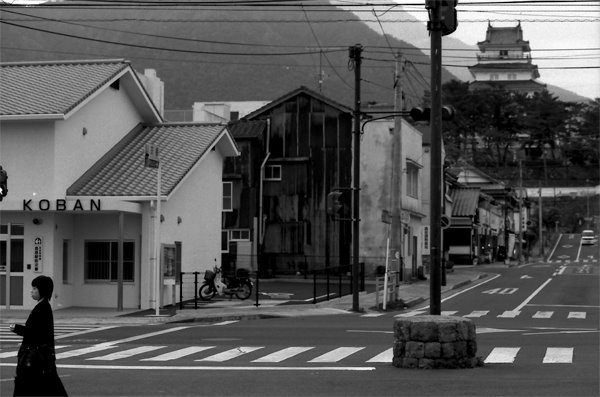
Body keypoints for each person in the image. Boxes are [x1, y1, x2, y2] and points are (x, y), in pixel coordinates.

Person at [9, 275, 68, 396]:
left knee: (29, 385)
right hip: (42, 357)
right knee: (48, 386)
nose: (32, 291)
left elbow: (34, 333)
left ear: (43, 290)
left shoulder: (42, 308)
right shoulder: (43, 306)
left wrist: (17, 328)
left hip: (36, 358)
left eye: (35, 288)